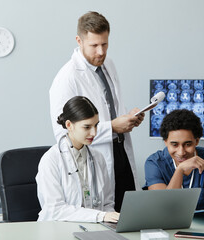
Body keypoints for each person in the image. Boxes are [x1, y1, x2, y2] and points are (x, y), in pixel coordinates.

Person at [49, 11, 145, 212]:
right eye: (94, 45)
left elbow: (111, 107)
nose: (101, 51)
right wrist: (112, 127)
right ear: (79, 40)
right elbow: (63, 134)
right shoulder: (66, 79)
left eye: (105, 44)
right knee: (106, 219)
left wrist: (129, 118)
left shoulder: (108, 64)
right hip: (95, 156)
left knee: (129, 215)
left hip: (120, 151)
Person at [36, 96, 119, 223]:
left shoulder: (98, 158)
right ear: (69, 125)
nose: (94, 133)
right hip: (58, 231)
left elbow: (107, 203)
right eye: (87, 127)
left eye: (96, 125)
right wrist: (99, 216)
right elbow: (55, 210)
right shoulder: (51, 160)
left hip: (93, 230)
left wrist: (109, 219)